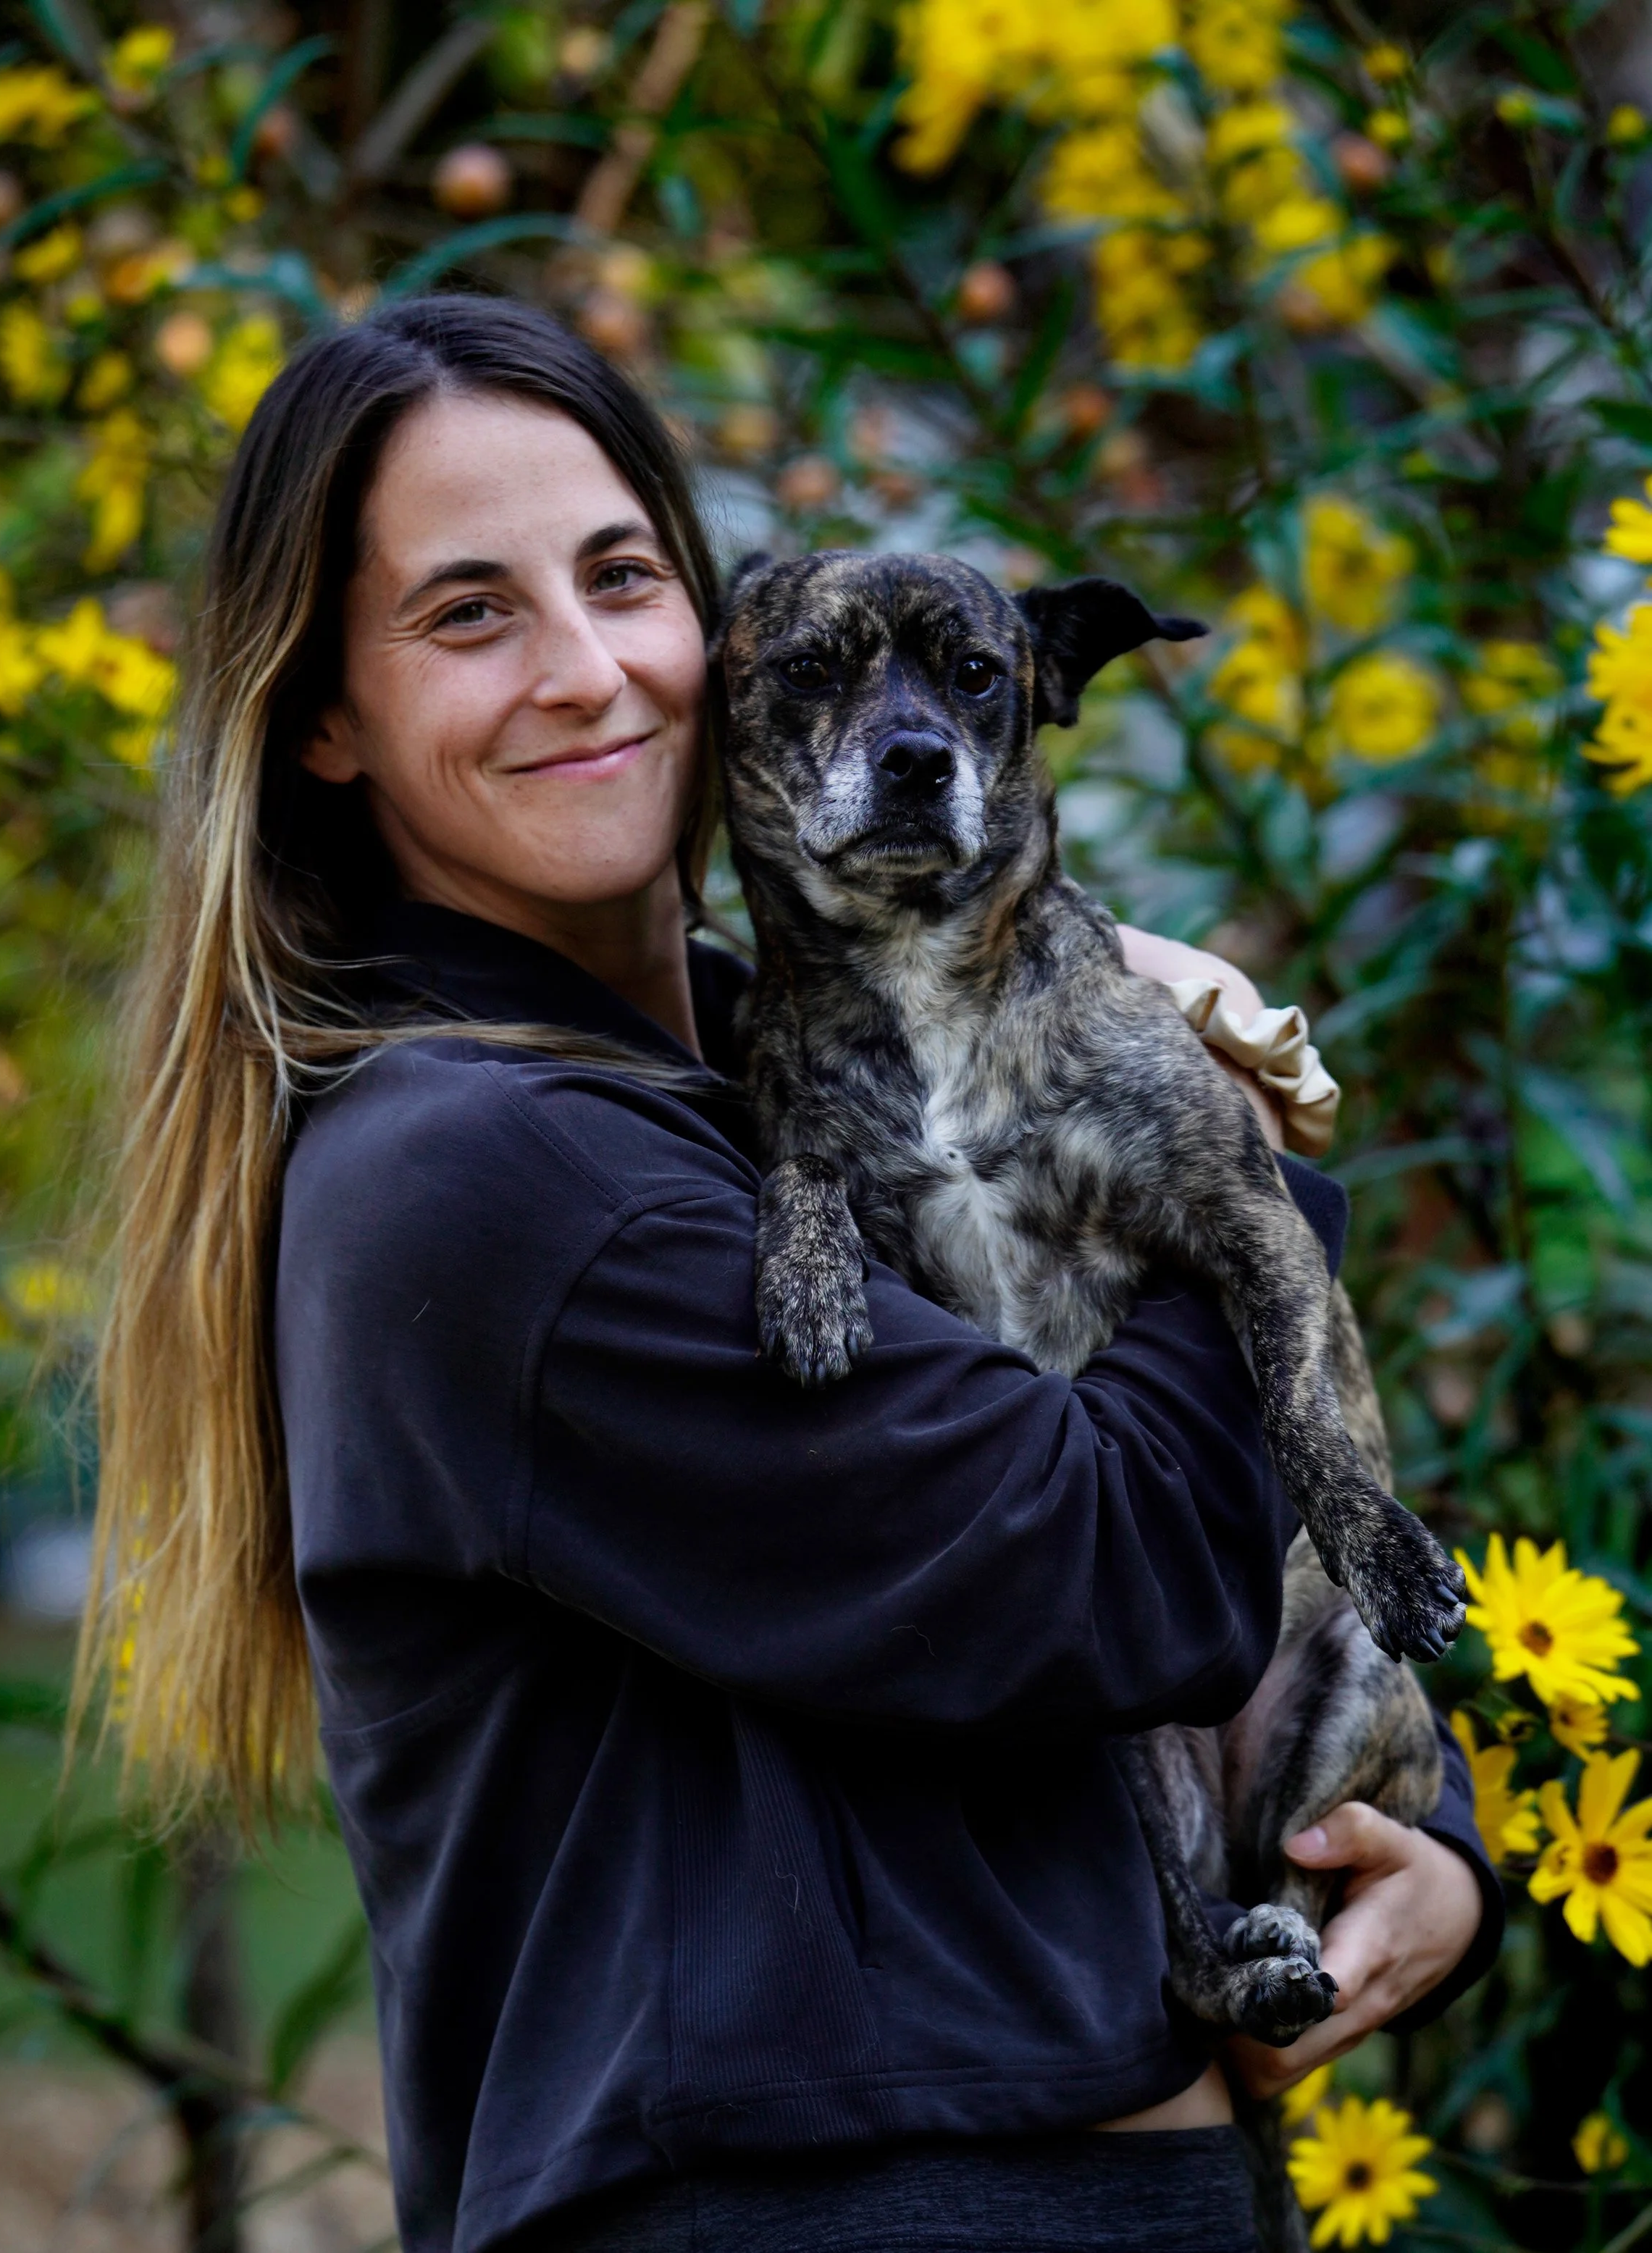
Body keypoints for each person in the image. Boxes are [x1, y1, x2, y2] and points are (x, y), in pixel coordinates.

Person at [80, 295, 1502, 2253]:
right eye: (468, 613)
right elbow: (1119, 1568)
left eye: (619, 577)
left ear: (719, 633)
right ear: (322, 712)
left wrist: (1416, 1838)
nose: (587, 671)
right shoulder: (490, 1176)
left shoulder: (755, 1084)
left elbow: (1190, 1534)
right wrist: (1223, 1138)